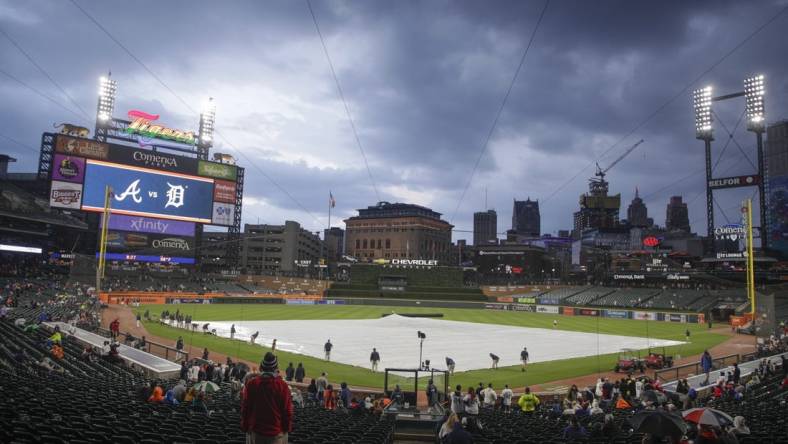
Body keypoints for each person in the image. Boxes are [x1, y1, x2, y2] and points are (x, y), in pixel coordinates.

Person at [241, 352, 293, 444]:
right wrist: (286, 429)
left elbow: (246, 408)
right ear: (276, 368)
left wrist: (246, 427)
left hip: (256, 432)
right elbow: (287, 412)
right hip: (275, 434)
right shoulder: (283, 386)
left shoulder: (252, 384)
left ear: (261, 367)